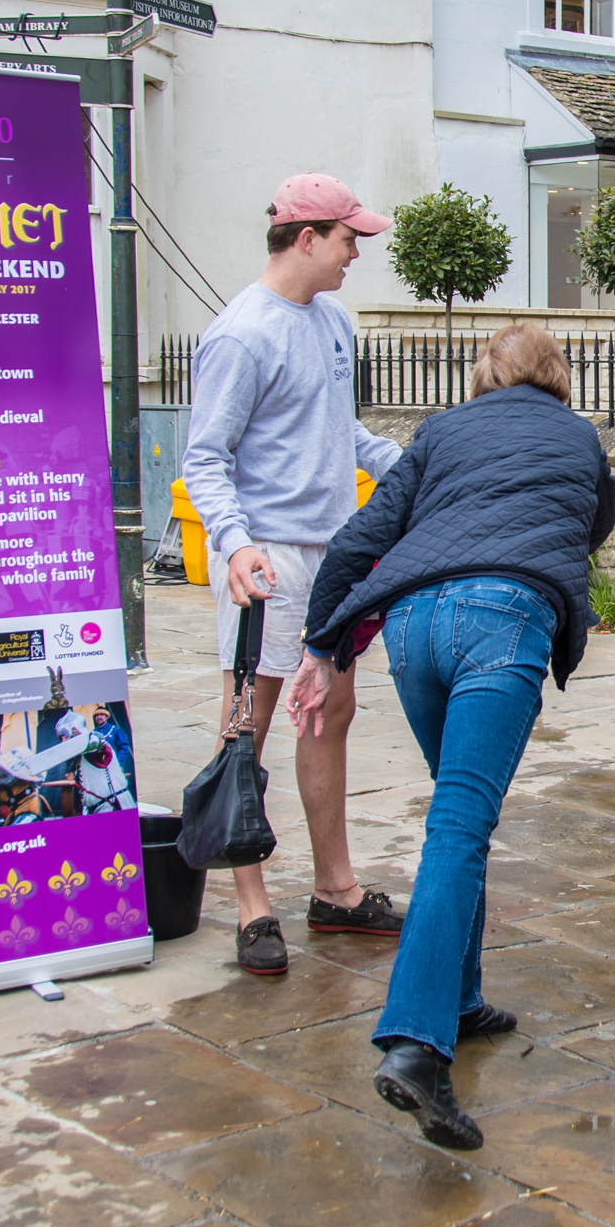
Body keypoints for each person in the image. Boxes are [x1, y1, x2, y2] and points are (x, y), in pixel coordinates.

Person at [287, 325, 615, 1150]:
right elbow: (597, 521)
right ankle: (416, 1045)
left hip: (413, 627)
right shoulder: (579, 436)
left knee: (458, 820)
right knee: (459, 828)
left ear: (485, 374)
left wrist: (320, 646)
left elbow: (361, 539)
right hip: (501, 620)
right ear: (556, 375)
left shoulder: (439, 431)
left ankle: (461, 1000)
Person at [181, 173, 407, 976]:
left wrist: (417, 467)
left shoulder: (334, 321)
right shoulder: (241, 335)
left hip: (333, 554)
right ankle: (251, 906)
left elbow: (341, 432)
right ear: (307, 238)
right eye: (350, 239)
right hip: (268, 555)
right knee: (247, 724)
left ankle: (335, 891)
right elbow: (204, 458)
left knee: (328, 715)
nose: (357, 253)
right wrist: (233, 543)